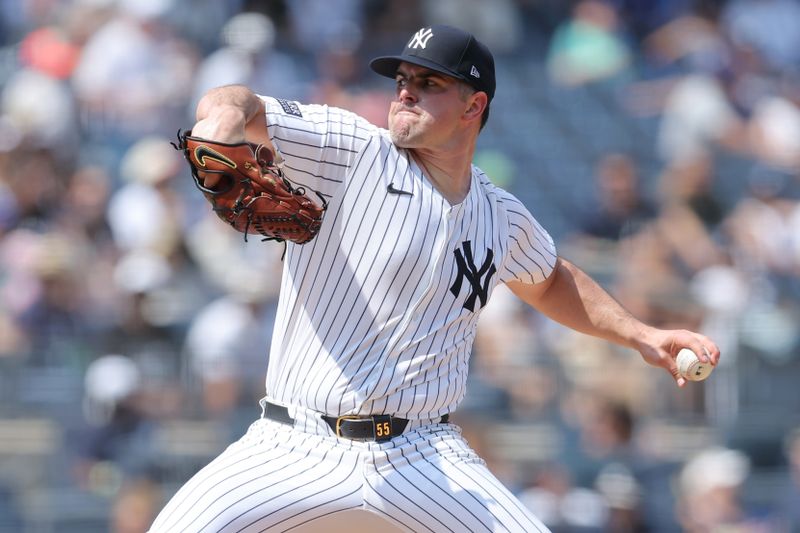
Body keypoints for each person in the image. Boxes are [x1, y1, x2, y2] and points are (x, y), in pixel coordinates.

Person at [149, 24, 720, 532]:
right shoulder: (353, 149)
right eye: (402, 77)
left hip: (421, 455)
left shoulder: (501, 216)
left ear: (473, 106)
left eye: (428, 82)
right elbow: (242, 103)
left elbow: (550, 281)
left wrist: (642, 334)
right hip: (293, 442)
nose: (405, 90)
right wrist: (223, 115)